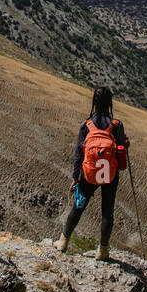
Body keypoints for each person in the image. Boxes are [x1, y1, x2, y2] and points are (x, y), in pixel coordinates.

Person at [53, 87, 129, 260]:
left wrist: (75, 177)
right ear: (110, 103)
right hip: (110, 173)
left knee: (78, 206)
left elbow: (79, 153)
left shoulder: (86, 125)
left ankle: (63, 241)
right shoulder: (116, 125)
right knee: (107, 211)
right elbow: (121, 148)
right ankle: (103, 251)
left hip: (88, 173)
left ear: (94, 102)